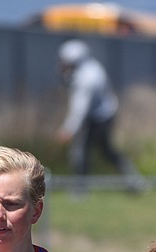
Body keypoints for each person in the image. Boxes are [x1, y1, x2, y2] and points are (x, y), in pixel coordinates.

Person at [55, 38, 144, 192]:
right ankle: (133, 181)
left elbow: (80, 109)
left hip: (98, 118)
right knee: (105, 152)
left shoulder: (87, 79)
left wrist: (68, 130)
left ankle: (80, 190)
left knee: (81, 153)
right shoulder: (92, 67)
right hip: (106, 114)